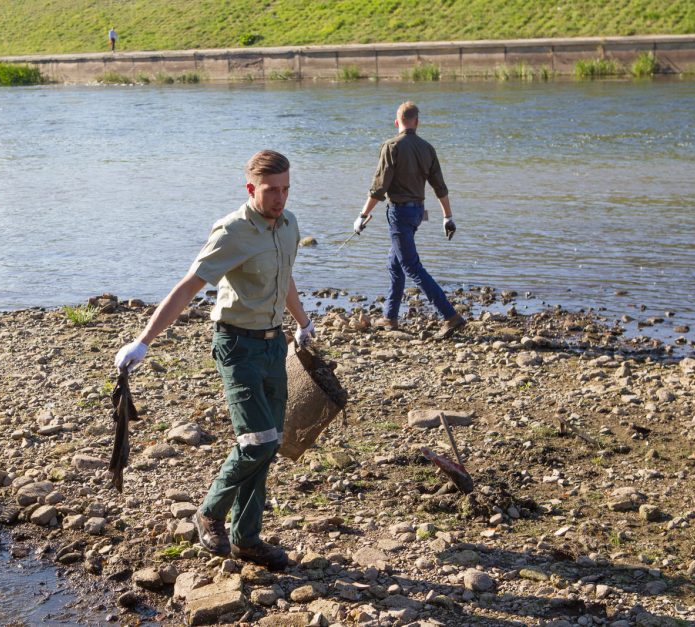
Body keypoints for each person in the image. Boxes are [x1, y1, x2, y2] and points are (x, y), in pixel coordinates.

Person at [114, 150, 314, 571]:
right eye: (271, 191)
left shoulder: (290, 224)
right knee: (258, 440)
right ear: (250, 189)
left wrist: (303, 323)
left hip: (274, 345)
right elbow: (188, 286)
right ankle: (209, 511)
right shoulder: (232, 231)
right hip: (236, 345)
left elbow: (286, 276)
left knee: (270, 441)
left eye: (285, 189)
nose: (280, 198)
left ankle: (247, 539)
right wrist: (143, 341)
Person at [353, 100, 465, 340]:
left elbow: (379, 188)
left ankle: (450, 316)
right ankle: (390, 316)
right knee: (395, 264)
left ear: (397, 122)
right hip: (417, 214)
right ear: (417, 122)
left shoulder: (391, 146)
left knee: (410, 265)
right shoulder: (427, 148)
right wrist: (448, 217)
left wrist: (362, 216)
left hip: (400, 213)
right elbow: (440, 187)